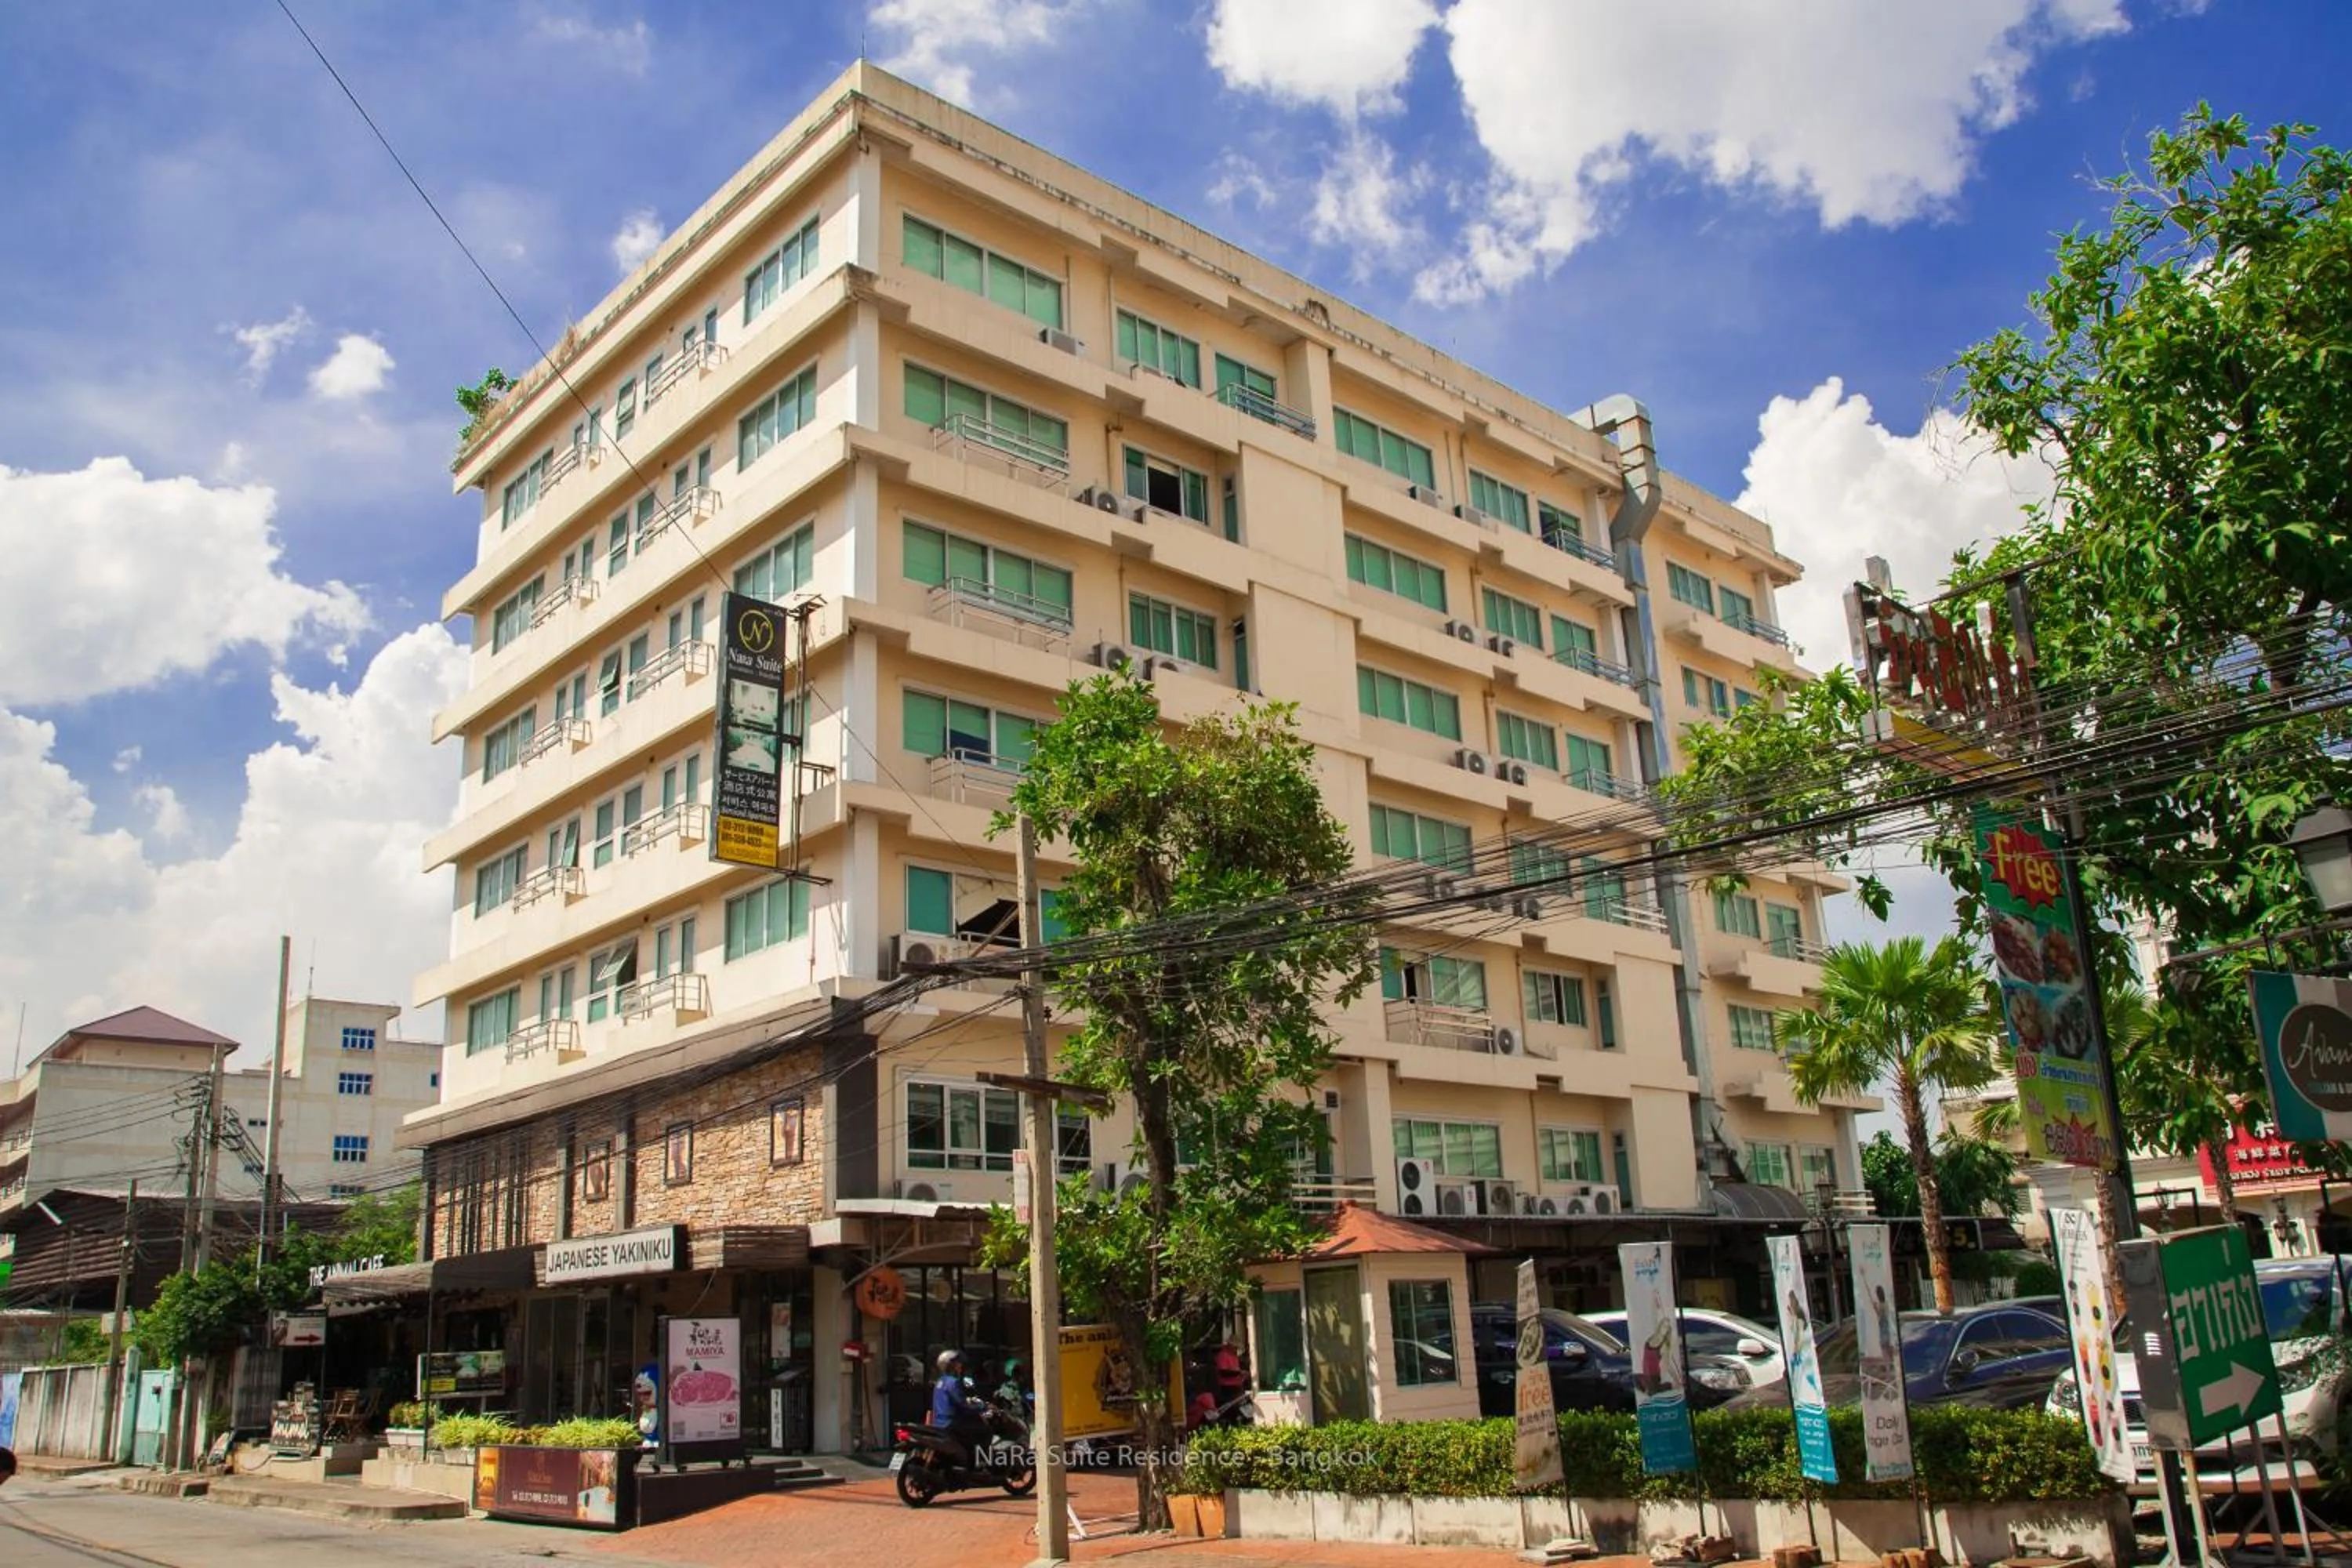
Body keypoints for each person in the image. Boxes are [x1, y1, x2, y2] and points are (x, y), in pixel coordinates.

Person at [930, 1350, 993, 1465]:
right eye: (957, 1363)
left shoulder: (940, 1381)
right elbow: (963, 1406)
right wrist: (982, 1407)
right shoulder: (953, 1383)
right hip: (951, 1423)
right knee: (985, 1431)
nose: (960, 1366)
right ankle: (981, 1463)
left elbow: (954, 1400)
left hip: (940, 1422)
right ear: (950, 1365)